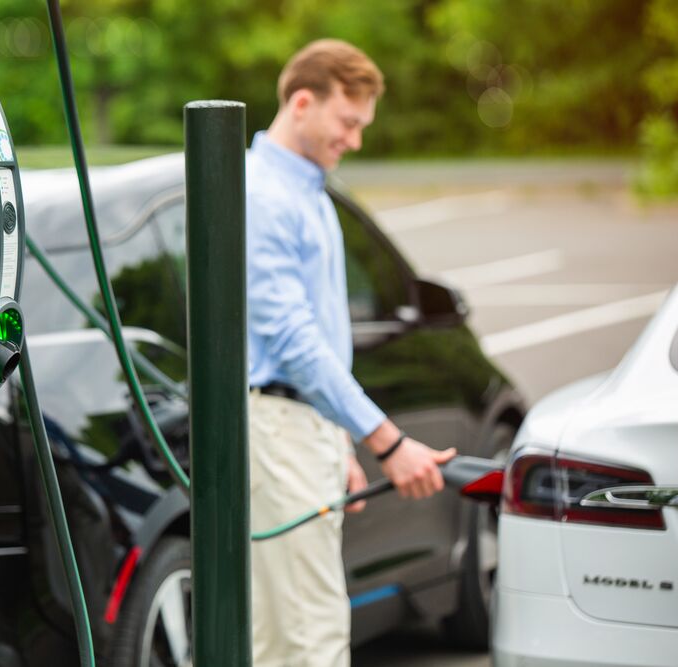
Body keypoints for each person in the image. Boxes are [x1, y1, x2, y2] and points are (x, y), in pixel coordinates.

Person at [246, 39, 457, 666]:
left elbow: (311, 335)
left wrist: (338, 439)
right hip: (277, 432)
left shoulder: (306, 192)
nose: (355, 140)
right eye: (348, 122)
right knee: (309, 637)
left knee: (284, 634)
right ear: (303, 102)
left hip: (299, 430)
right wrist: (388, 441)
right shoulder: (265, 196)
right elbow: (290, 339)